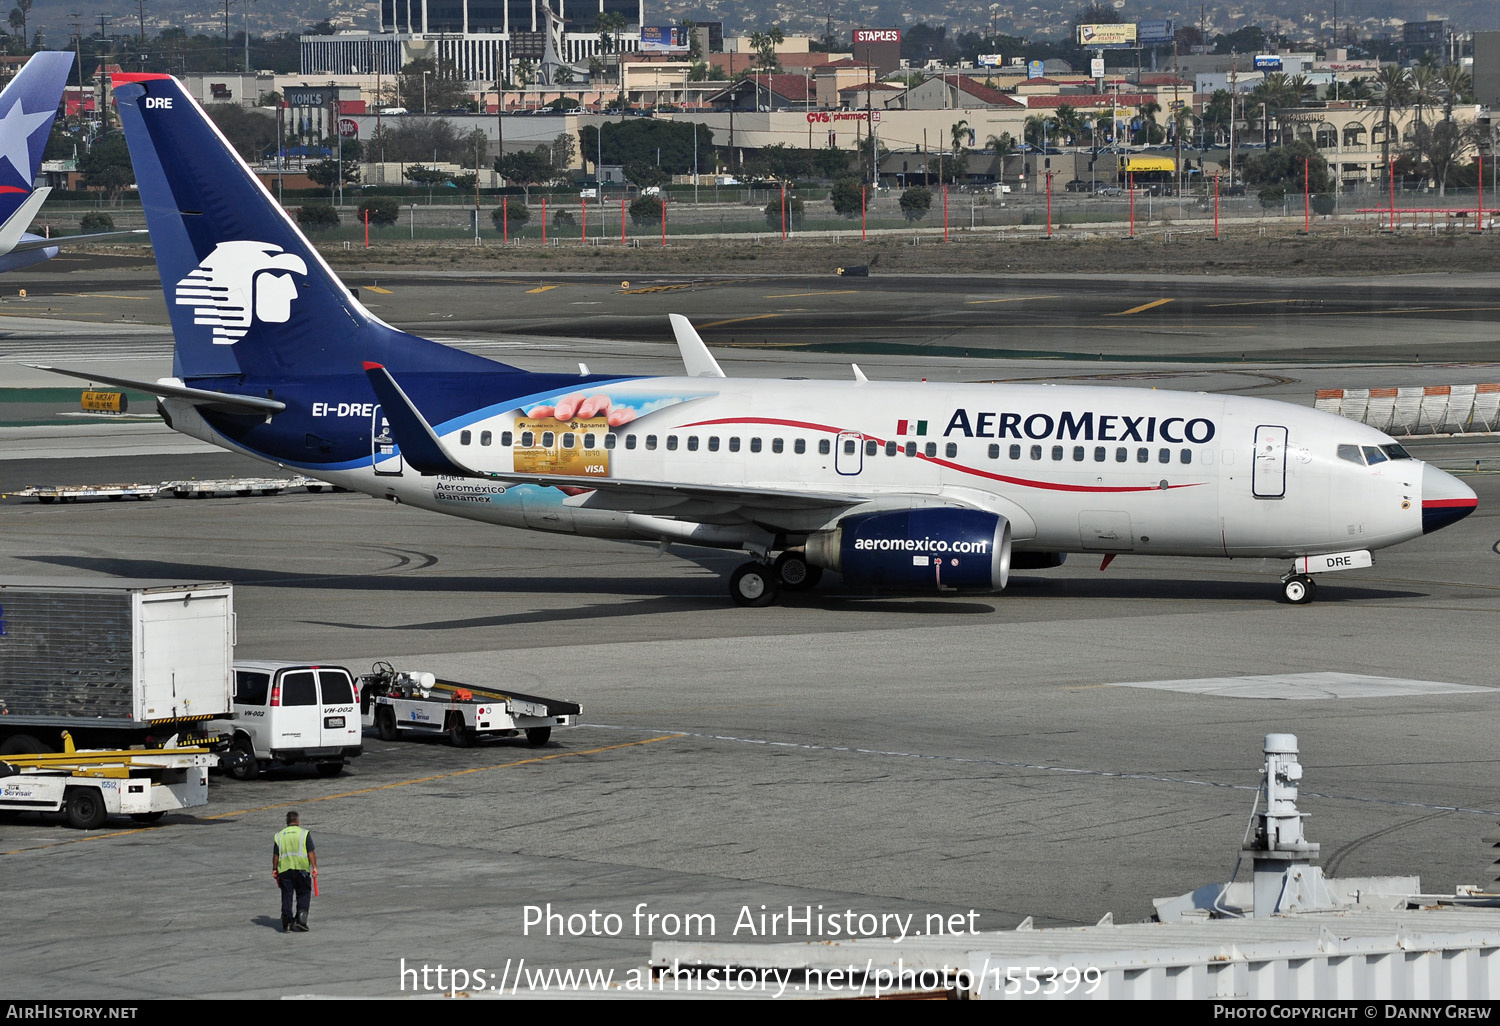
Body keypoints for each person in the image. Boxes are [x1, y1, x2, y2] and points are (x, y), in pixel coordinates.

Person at [272, 810, 317, 933]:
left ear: (287, 822)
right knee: (303, 893)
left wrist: (274, 869)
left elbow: (276, 855)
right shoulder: (304, 833)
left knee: (287, 895)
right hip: (301, 869)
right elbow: (310, 852)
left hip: (285, 870)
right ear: (297, 821)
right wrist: (314, 867)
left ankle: (287, 923)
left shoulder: (279, 835)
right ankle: (301, 921)